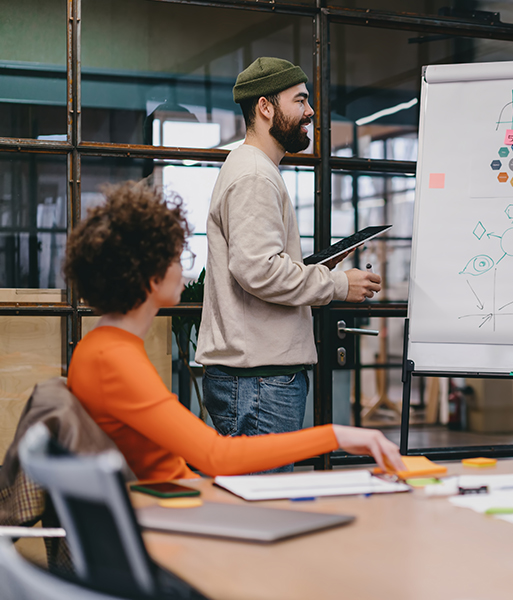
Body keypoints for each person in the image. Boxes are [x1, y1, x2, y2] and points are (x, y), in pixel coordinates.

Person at [64, 182, 405, 481]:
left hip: (178, 505)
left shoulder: (101, 346)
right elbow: (216, 456)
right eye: (174, 256)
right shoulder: (114, 359)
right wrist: (335, 436)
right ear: (150, 277)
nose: (184, 266)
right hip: (176, 520)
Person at [196, 57, 381, 472]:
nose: (311, 111)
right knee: (265, 508)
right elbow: (258, 270)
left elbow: (254, 264)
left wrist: (315, 268)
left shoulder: (253, 170)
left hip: (256, 379)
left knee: (256, 503)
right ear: (265, 108)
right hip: (259, 381)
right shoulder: (255, 176)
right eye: (300, 100)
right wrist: (337, 284)